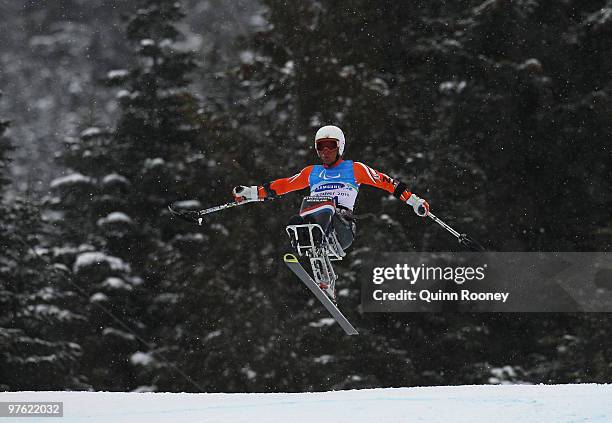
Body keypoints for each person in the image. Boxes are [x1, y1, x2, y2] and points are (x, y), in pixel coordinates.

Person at [232, 125, 429, 251]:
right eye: (321, 147)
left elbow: (387, 183)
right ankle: (322, 273)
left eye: (330, 145)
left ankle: (312, 229)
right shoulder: (312, 172)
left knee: (324, 206)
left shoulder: (355, 169)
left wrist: (413, 201)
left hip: (341, 227)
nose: (325, 151)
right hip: (315, 226)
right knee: (304, 213)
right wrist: (251, 193)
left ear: (340, 147)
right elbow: (284, 184)